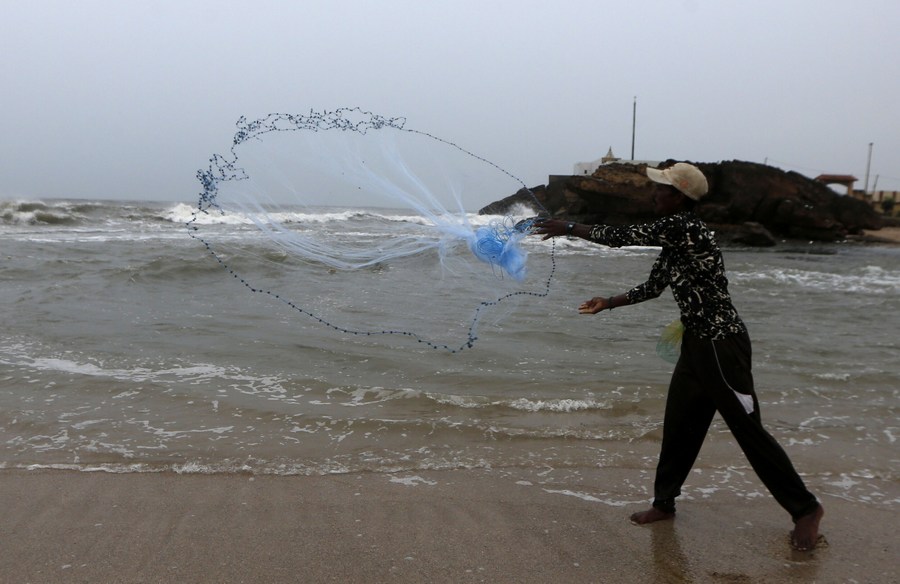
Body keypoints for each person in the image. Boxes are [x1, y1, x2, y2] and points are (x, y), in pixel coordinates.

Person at [532, 162, 824, 551]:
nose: (654, 194)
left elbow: (621, 237)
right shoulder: (676, 239)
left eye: (662, 189)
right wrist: (609, 302)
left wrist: (569, 227)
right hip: (697, 345)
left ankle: (806, 509)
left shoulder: (684, 227)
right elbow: (655, 286)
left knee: (748, 430)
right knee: (680, 425)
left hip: (722, 345)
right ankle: (664, 504)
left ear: (679, 197)